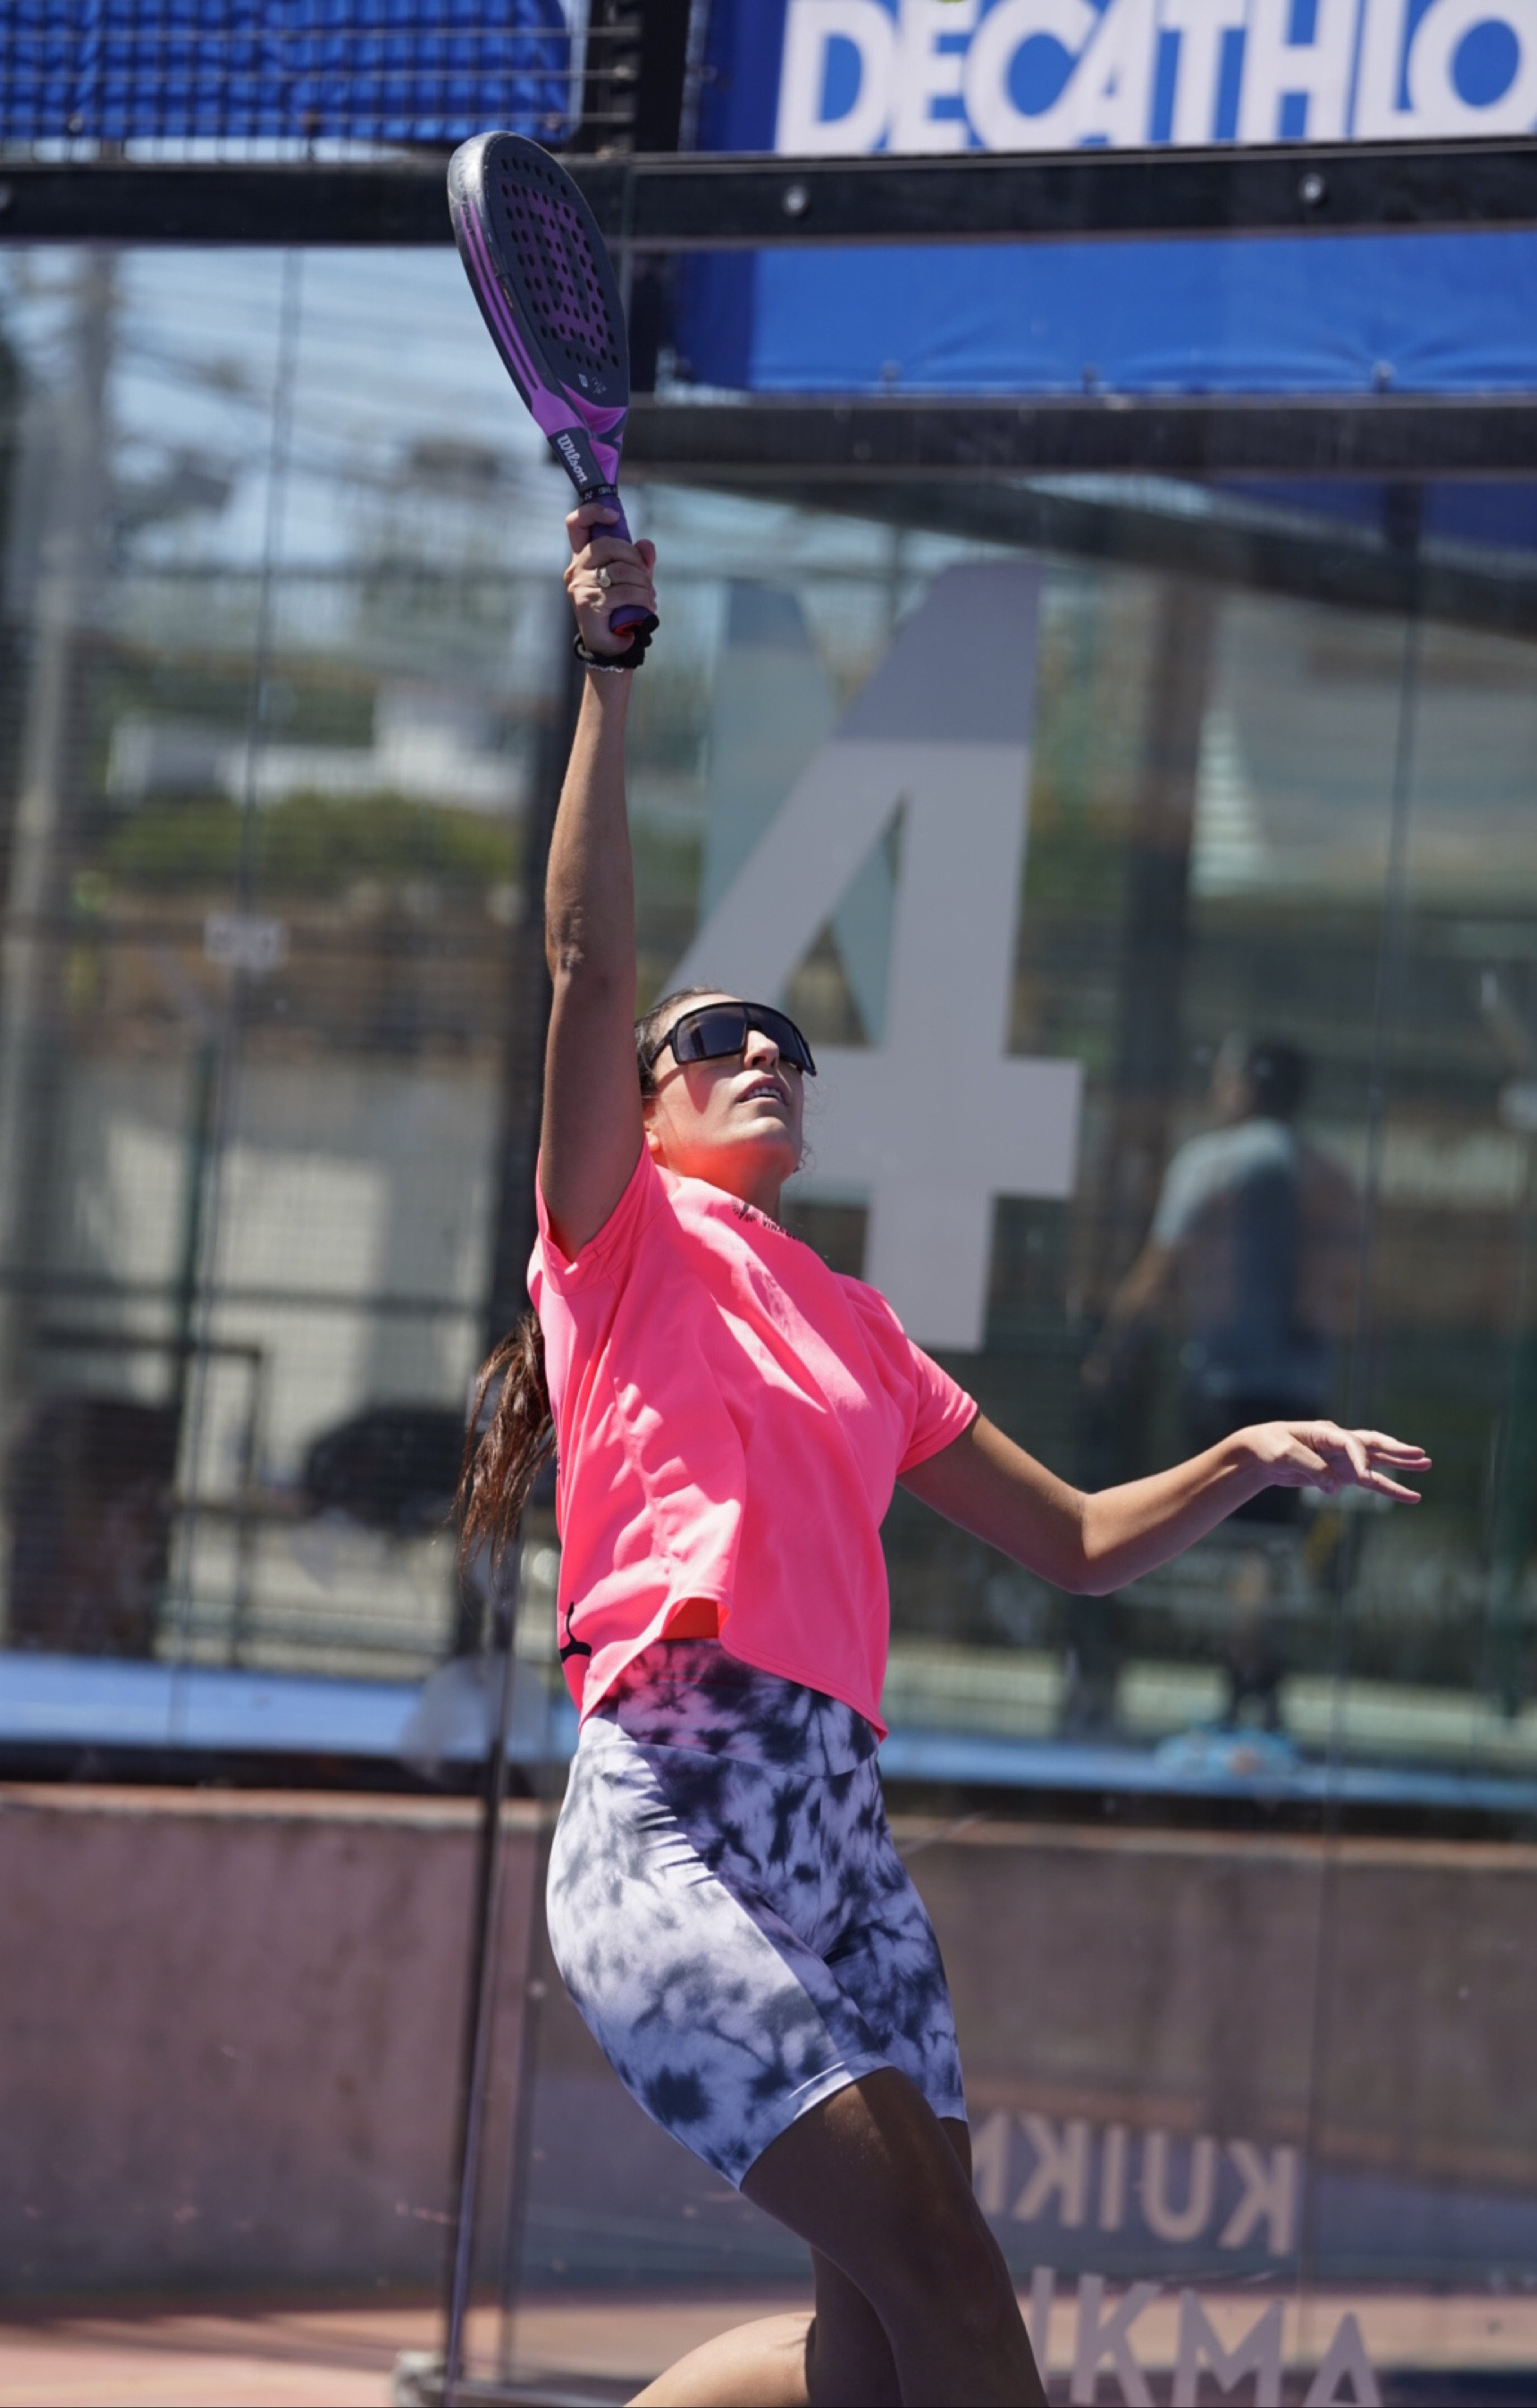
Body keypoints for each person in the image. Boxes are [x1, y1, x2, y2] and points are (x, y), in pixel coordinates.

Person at [455, 507, 1428, 2408]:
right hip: (677, 1803)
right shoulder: (616, 1238)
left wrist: (1241, 1452)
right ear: (642, 1100)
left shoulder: (863, 1326)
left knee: (884, 2341)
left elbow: (1076, 1540)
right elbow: (584, 963)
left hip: (838, 1829)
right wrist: (610, 677)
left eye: (790, 1044)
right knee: (957, 2289)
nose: (764, 1054)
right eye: (718, 1038)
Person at [1083, 1034, 1364, 1725]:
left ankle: (1246, 1689)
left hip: (1225, 1390)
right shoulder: (1331, 1177)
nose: (1215, 1090)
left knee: (1238, 1547)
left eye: (1223, 1078)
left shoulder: (1210, 1164)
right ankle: (1254, 1686)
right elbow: (1348, 1295)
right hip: (1302, 1392)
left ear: (1245, 1086)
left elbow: (1157, 1269)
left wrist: (1112, 1353)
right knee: (1265, 1545)